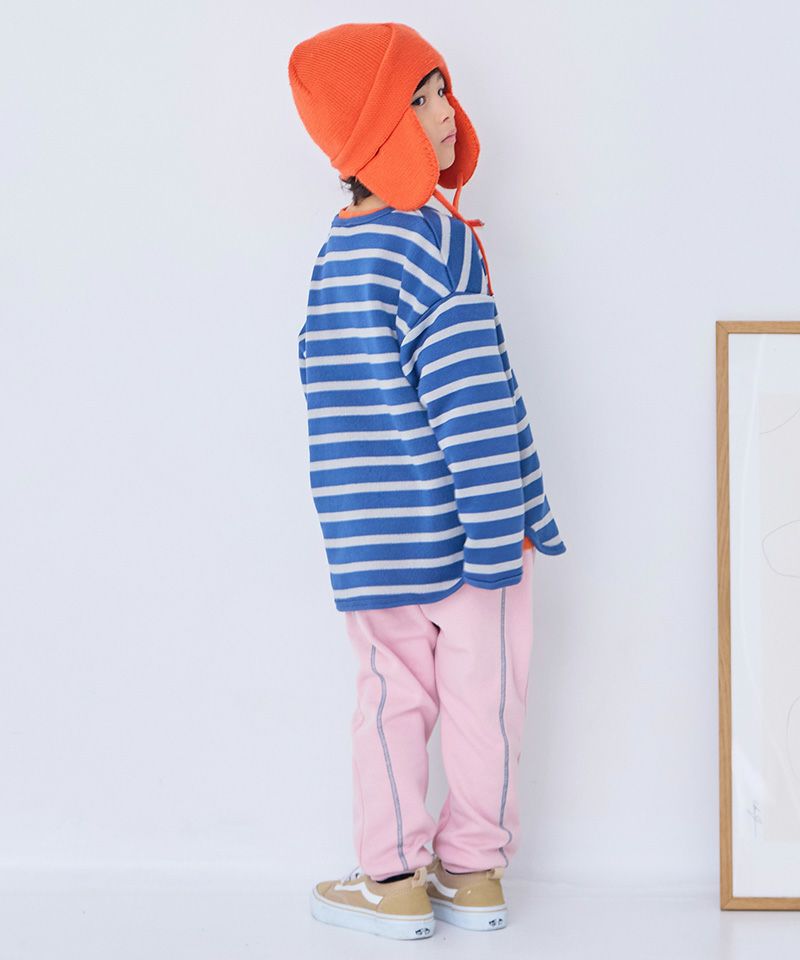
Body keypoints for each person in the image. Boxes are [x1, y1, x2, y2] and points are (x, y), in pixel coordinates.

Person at [287, 21, 567, 941]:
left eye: (442, 89)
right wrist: (500, 532)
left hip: (373, 543)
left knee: (388, 700)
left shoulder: (335, 259)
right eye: (421, 99)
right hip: (471, 531)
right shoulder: (436, 244)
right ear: (375, 133)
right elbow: (474, 403)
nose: (446, 112)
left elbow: (334, 410)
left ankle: (393, 878)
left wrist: (354, 534)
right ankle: (474, 872)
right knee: (485, 701)